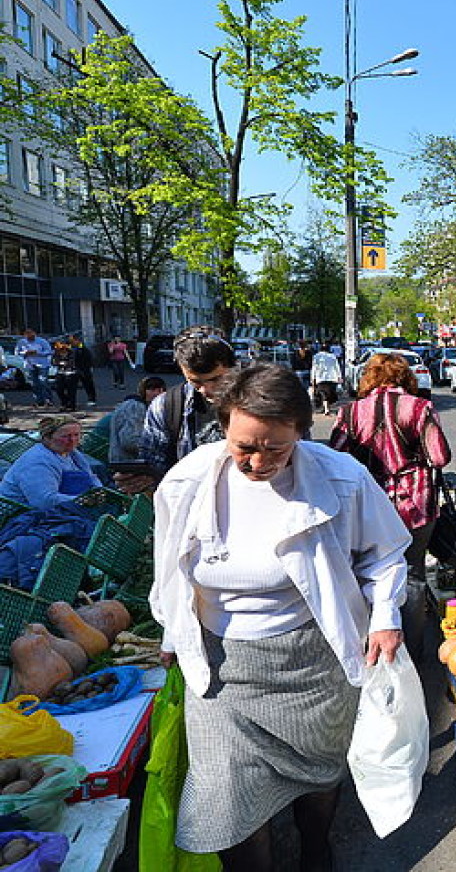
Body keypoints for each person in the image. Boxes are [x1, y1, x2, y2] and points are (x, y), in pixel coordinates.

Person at [150, 364, 410, 872]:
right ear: (223, 423)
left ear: (300, 433)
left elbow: (385, 553)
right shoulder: (186, 483)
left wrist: (384, 614)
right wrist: (171, 630)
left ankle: (316, 848)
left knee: (318, 774)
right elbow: (169, 569)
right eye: (245, 445)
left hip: (313, 662)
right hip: (222, 671)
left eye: (276, 448)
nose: (256, 462)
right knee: (226, 799)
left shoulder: (340, 476)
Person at [329, 352, 451, 662]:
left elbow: (335, 459)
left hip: (367, 507)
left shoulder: (350, 413)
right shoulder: (420, 408)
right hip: (415, 505)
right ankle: (410, 657)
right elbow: (439, 458)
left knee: (369, 575)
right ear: (405, 378)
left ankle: (373, 651)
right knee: (412, 576)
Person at [124, 326, 237, 495]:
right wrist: (141, 481)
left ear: (233, 366)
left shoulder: (262, 400)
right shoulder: (165, 406)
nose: (207, 390)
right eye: (196, 382)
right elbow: (155, 465)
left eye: (216, 379)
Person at [0, 415, 102, 509]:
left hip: (66, 508)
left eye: (76, 435)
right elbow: (44, 501)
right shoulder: (37, 461)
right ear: (47, 438)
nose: (72, 440)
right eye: (65, 436)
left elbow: (91, 477)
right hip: (21, 515)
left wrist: (99, 492)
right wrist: (83, 500)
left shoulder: (73, 454)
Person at [110, 376, 167, 462]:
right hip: (128, 463)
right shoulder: (135, 407)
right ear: (143, 391)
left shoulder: (146, 407)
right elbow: (130, 441)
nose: (156, 393)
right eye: (151, 390)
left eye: (160, 390)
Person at [16, 329, 54, 408]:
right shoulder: (22, 342)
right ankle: (39, 401)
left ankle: (48, 400)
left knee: (43, 382)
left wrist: (38, 353)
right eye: (28, 336)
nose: (30, 337)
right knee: (34, 384)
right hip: (30, 365)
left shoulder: (42, 341)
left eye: (31, 335)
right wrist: (25, 353)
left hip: (42, 365)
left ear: (34, 334)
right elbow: (17, 352)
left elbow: (49, 351)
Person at [310, 346, 343, 416]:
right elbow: (336, 366)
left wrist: (313, 378)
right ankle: (327, 408)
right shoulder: (332, 356)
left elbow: (314, 368)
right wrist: (339, 377)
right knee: (329, 394)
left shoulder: (316, 356)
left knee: (324, 393)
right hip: (332, 377)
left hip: (321, 378)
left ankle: (326, 408)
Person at [50, 340, 80, 412]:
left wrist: (62, 363)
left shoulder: (72, 352)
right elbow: (54, 362)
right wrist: (61, 363)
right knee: (58, 389)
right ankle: (65, 403)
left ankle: (72, 406)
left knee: (71, 391)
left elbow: (72, 363)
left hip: (72, 373)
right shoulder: (56, 353)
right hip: (61, 372)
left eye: (63, 347)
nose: (62, 350)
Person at [69, 333, 97, 407]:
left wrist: (90, 367)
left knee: (88, 384)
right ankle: (71, 401)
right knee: (72, 386)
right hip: (74, 369)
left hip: (84, 369)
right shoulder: (70, 347)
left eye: (72, 340)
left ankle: (92, 399)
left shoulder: (83, 348)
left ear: (77, 340)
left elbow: (89, 358)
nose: (71, 342)